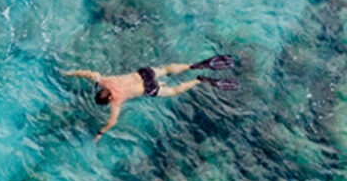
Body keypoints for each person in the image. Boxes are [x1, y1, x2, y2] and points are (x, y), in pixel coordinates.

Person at [61, 55, 239, 140]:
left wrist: (100, 133)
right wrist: (70, 73)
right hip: (143, 74)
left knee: (173, 91)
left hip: (148, 88)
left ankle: (199, 80)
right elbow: (88, 73)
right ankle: (192, 66)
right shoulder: (105, 81)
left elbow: (112, 122)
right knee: (167, 69)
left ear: (107, 99)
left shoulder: (116, 101)